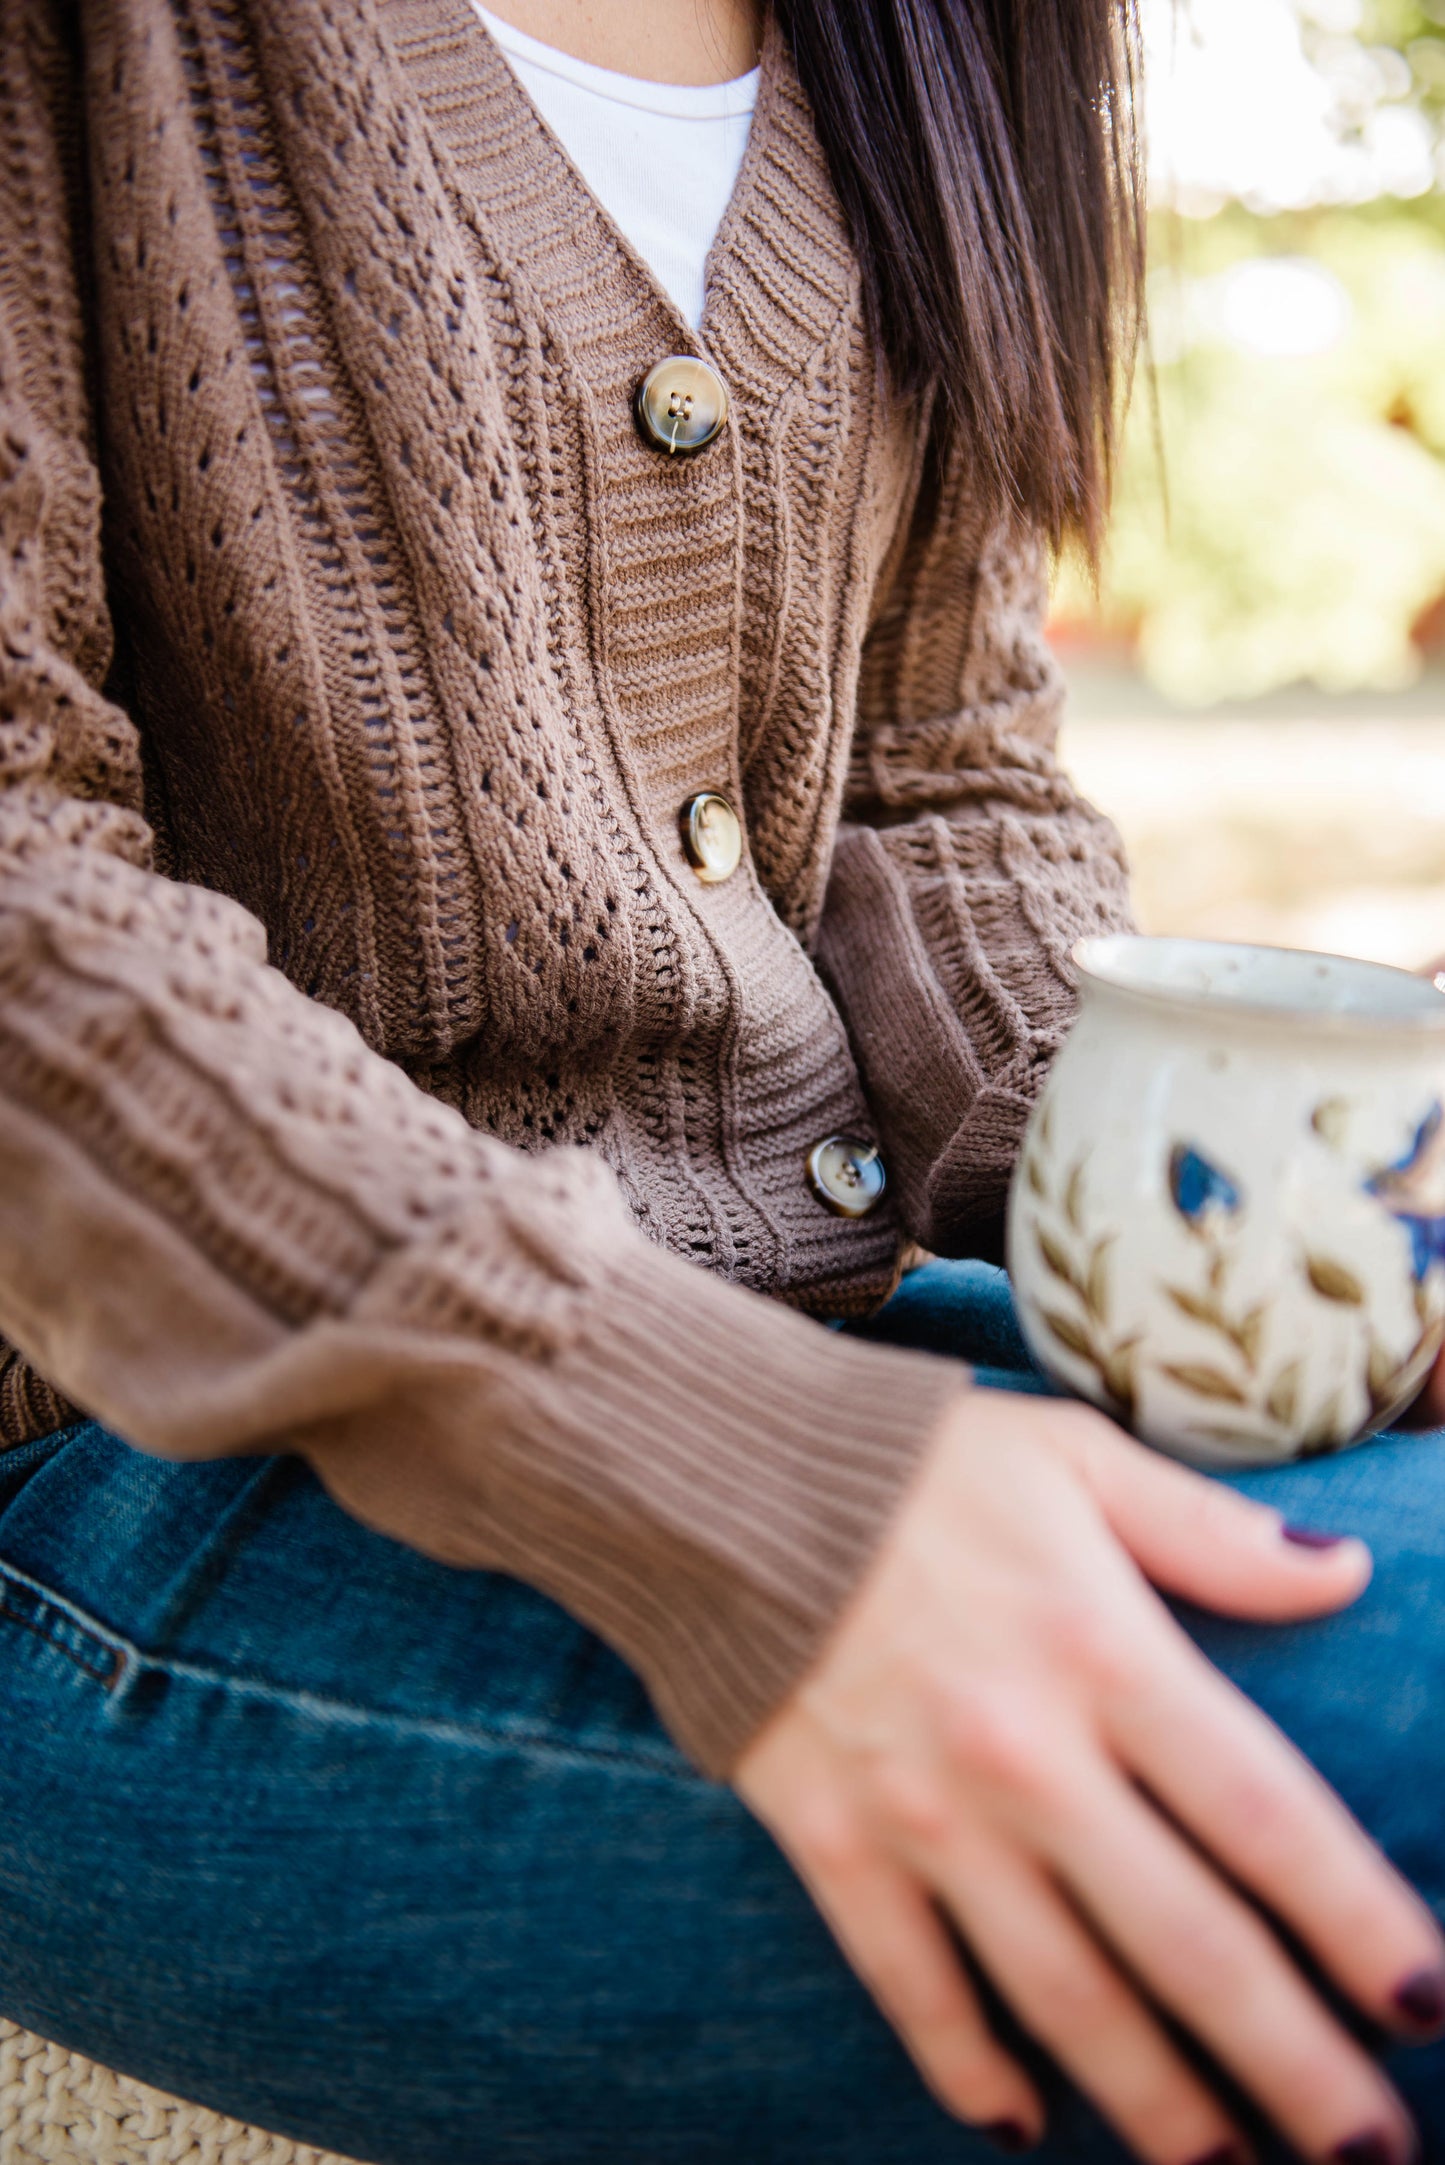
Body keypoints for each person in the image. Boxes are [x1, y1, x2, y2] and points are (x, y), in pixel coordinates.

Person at [0, 0, 1442, 2159]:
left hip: (788, 1317)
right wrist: (719, 1478)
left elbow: (936, 771)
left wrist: (1263, 1199)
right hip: (117, 1441)